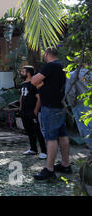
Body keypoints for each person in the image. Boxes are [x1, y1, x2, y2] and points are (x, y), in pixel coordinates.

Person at [31, 47, 71, 180]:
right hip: (60, 105)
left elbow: (34, 81)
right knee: (62, 135)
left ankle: (49, 169)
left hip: (50, 107)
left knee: (51, 137)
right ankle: (65, 164)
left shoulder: (50, 66)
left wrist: (40, 84)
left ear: (47, 54)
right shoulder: (61, 66)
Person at [18, 66, 47, 159]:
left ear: (28, 73)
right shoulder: (23, 84)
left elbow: (39, 98)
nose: (21, 73)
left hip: (33, 111)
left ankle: (44, 151)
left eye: (23, 71)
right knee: (29, 130)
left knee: (38, 131)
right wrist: (20, 107)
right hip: (24, 111)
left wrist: (35, 110)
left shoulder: (35, 83)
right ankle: (33, 149)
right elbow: (21, 96)